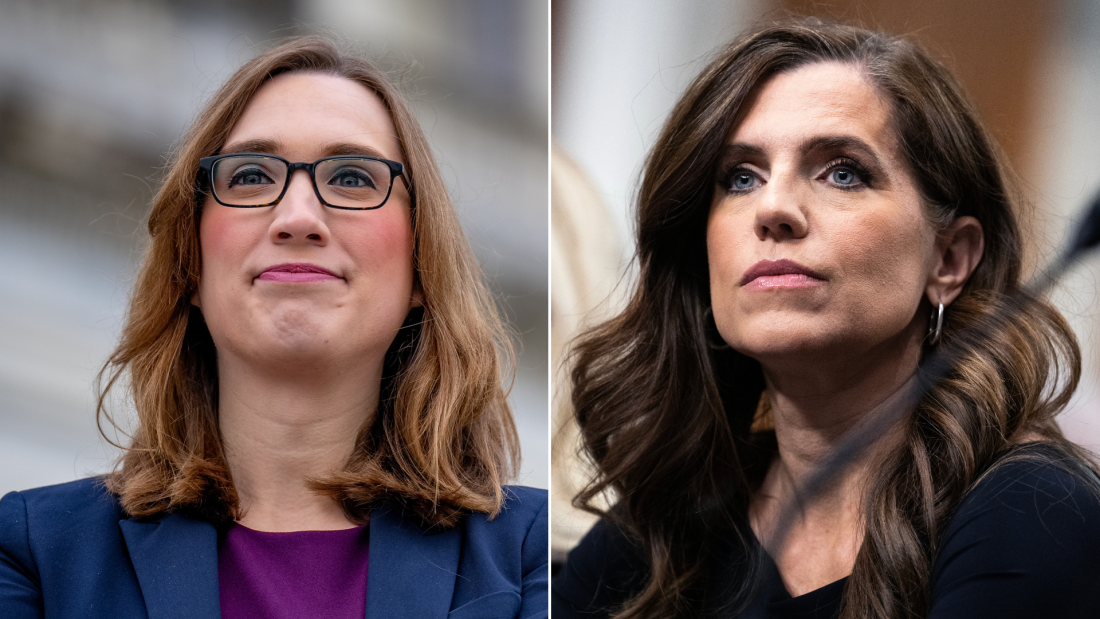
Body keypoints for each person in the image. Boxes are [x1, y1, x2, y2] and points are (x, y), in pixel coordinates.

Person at [552, 19, 1100, 619]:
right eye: (741, 178)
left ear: (949, 258)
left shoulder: (1034, 512)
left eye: (843, 171)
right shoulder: (662, 534)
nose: (775, 208)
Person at [0, 36, 547, 619]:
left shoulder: (534, 557)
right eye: (252, 175)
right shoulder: (36, 553)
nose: (298, 217)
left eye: (354, 178)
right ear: (190, 263)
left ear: (420, 265)